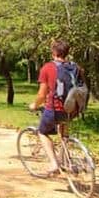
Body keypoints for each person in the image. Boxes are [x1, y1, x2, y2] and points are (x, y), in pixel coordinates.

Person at [28, 40, 81, 176]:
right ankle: (65, 161)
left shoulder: (48, 68)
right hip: (72, 109)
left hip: (55, 108)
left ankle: (54, 164)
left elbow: (41, 94)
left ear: (54, 52)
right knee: (64, 133)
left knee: (42, 132)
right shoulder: (75, 67)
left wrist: (35, 105)